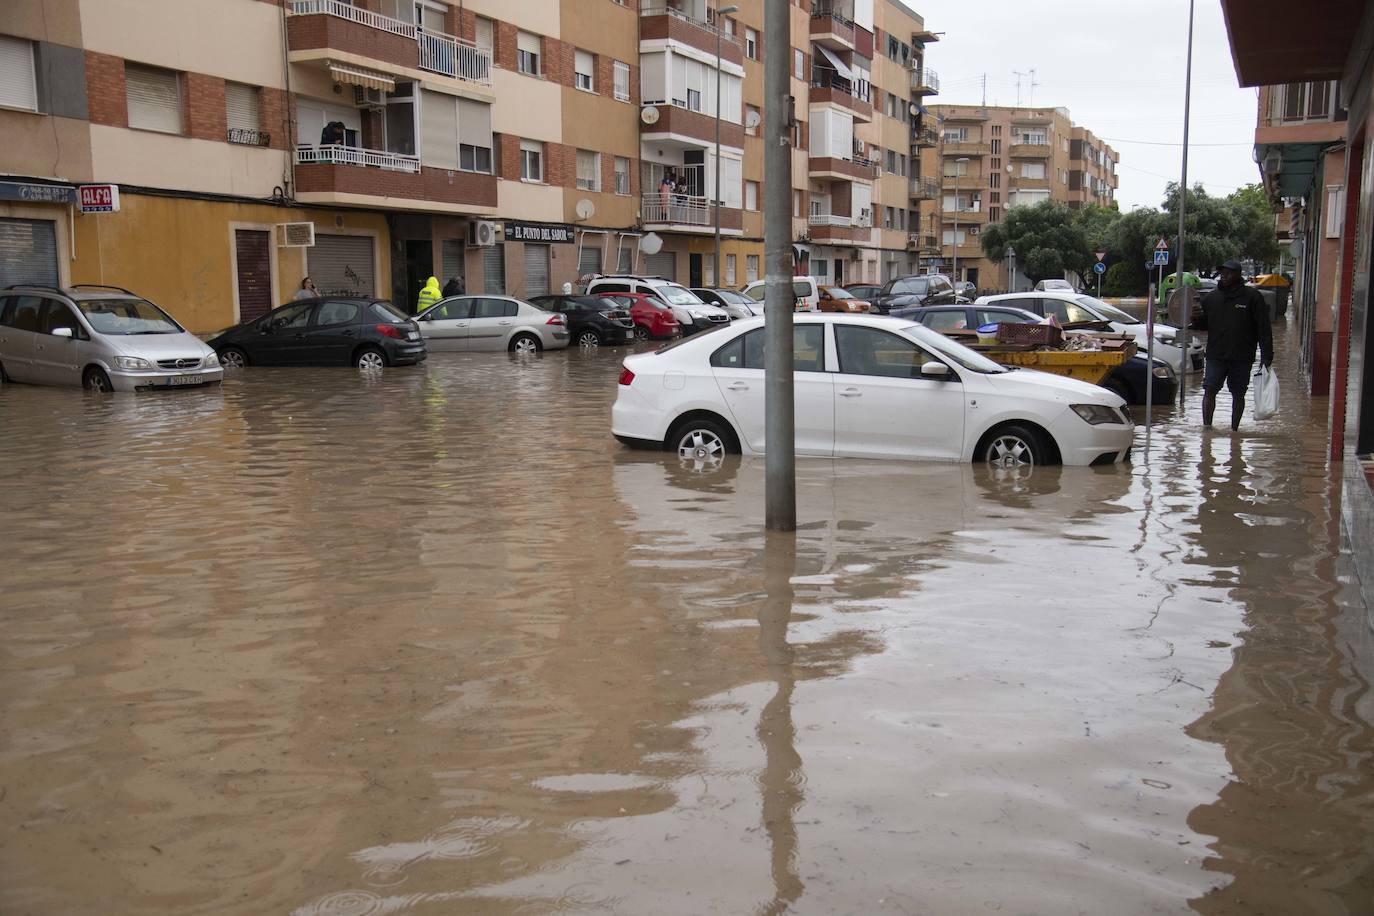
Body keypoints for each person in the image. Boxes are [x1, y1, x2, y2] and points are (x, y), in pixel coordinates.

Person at [1197, 258, 1273, 430]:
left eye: (1228, 272)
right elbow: (1203, 326)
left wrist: (1267, 356)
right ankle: (1207, 429)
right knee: (1209, 389)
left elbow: (1263, 328)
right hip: (1216, 355)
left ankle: (1234, 431)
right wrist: (1194, 319)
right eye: (1222, 272)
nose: (1224, 275)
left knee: (1238, 393)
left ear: (1238, 275)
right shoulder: (1211, 299)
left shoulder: (1253, 297)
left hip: (1242, 357)